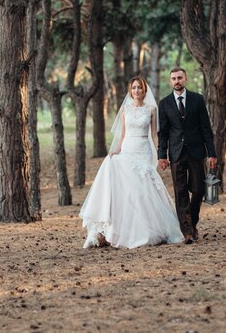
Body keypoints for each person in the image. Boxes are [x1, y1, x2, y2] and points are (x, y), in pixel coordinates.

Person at [79, 76, 184, 249]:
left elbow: (154, 135)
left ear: (144, 91)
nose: (137, 91)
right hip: (127, 149)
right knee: (122, 187)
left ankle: (146, 230)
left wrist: (160, 154)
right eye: (134, 88)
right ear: (130, 90)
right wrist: (117, 150)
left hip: (143, 151)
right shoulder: (124, 110)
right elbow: (122, 135)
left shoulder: (151, 109)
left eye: (139, 88)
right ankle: (113, 231)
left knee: (141, 192)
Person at [158, 67, 217, 245]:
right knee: (181, 191)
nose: (177, 81)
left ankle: (192, 221)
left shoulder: (197, 99)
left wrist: (212, 154)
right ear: (170, 82)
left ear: (186, 79)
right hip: (176, 152)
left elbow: (206, 128)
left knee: (198, 189)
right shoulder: (165, 103)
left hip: (197, 151)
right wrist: (162, 155)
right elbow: (164, 133)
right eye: (174, 78)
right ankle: (187, 232)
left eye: (180, 78)